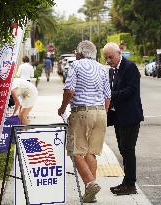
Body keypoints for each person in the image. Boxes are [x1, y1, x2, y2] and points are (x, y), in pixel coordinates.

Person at [58, 40, 111, 203]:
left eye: (76, 52)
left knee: (76, 152)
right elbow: (108, 96)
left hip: (81, 112)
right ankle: (90, 194)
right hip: (101, 113)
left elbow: (69, 90)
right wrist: (102, 112)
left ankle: (90, 183)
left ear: (80, 53)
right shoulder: (102, 68)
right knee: (91, 152)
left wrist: (62, 108)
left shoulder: (76, 65)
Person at [103, 42, 144, 195]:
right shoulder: (112, 71)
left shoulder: (130, 67)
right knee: (123, 150)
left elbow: (131, 90)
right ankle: (126, 182)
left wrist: (110, 95)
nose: (108, 60)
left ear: (119, 53)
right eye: (106, 58)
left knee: (128, 150)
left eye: (110, 57)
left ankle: (131, 185)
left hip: (130, 116)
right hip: (118, 117)